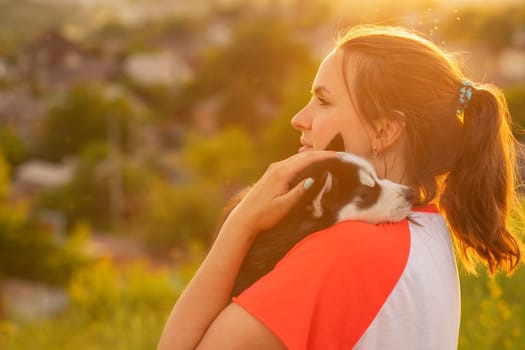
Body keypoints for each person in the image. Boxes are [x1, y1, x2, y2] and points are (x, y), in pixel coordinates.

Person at [157, 25, 522, 349]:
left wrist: (242, 221)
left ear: (385, 130)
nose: (299, 119)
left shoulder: (346, 251)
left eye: (324, 100)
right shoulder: (428, 228)